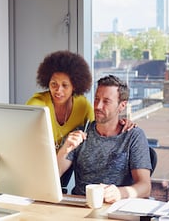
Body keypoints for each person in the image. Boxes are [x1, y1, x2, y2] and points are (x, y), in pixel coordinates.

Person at [26, 51, 136, 189]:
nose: (58, 90)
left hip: (62, 170)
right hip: (37, 168)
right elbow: (25, 143)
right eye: (53, 84)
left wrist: (121, 121)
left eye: (65, 85)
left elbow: (96, 127)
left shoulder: (82, 105)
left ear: (75, 86)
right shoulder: (36, 104)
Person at [56, 75, 152, 203]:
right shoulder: (80, 133)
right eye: (96, 99)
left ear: (122, 106)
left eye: (106, 101)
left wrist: (120, 193)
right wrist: (64, 150)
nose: (98, 106)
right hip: (80, 204)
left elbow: (145, 187)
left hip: (115, 206)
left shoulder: (133, 136)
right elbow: (52, 177)